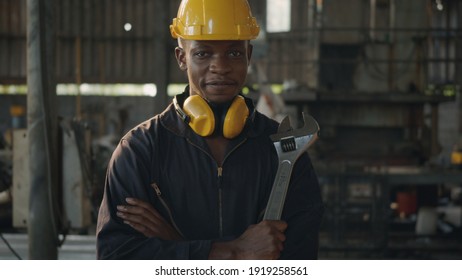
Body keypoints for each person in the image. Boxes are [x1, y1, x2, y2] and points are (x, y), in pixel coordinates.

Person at [96, 0, 324, 260]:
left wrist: (174, 242)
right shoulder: (139, 151)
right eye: (203, 53)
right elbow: (116, 259)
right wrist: (232, 252)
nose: (221, 66)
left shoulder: (284, 150)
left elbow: (299, 261)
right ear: (182, 58)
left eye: (234, 53)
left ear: (249, 56)